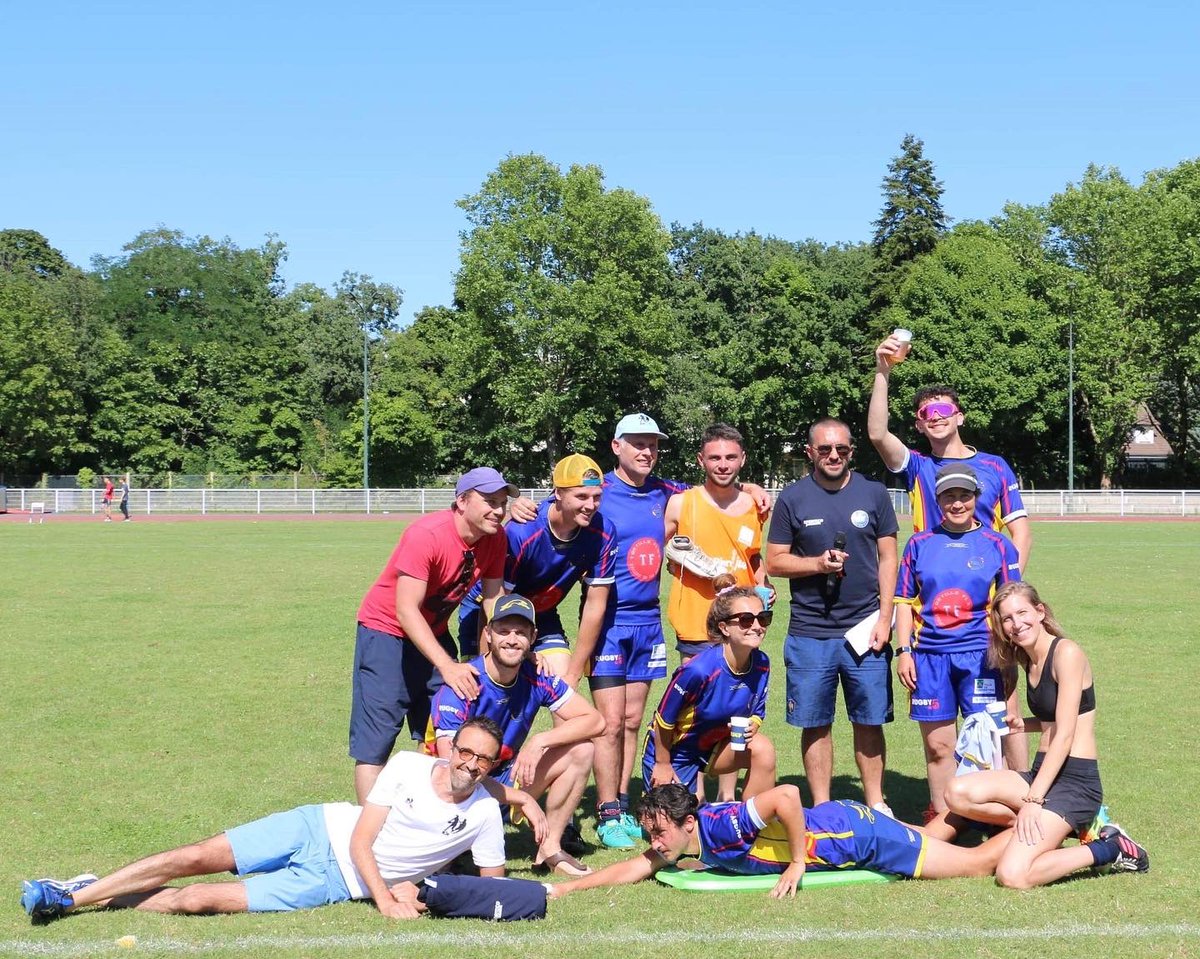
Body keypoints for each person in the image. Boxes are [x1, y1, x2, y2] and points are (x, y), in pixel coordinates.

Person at [21, 719, 546, 921]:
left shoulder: (484, 813)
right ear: (450, 748)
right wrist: (387, 898)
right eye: (467, 754)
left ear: (492, 763)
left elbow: (487, 889)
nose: (472, 766)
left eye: (484, 761)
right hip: (318, 828)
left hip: (333, 883)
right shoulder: (409, 766)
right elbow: (364, 840)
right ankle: (67, 897)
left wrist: (427, 891)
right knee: (196, 858)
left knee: (199, 899)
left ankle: (103, 893)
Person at [587, 413, 770, 849]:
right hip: (617, 620)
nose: (645, 451)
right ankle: (610, 809)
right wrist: (521, 503)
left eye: (651, 444)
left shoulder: (666, 491)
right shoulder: (605, 492)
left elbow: (718, 494)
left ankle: (641, 804)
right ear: (617, 446)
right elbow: (559, 505)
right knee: (615, 723)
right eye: (636, 443)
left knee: (635, 721)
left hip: (649, 620)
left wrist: (751, 489)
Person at [941, 582, 1150, 886]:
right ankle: (1040, 829)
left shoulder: (1067, 653)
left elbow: (1065, 734)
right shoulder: (1029, 659)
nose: (1016, 624)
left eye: (1022, 613)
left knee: (1012, 875)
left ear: (1039, 612)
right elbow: (1055, 719)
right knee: (956, 792)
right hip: (1043, 771)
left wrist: (1033, 801)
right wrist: (1022, 724)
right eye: (1007, 619)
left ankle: (1111, 847)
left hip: (1075, 784)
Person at [351, 467, 516, 803]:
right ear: (461, 501)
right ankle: (372, 838)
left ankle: (427, 818)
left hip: (434, 633)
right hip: (387, 634)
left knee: (441, 728)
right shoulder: (427, 534)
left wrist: (511, 644)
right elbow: (406, 610)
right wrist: (447, 664)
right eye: (489, 501)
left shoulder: (495, 538)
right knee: (377, 741)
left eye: (502, 503)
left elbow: (494, 600)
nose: (498, 511)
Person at [547, 782, 1010, 901]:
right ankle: (978, 815)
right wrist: (567, 888)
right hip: (847, 820)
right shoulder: (689, 837)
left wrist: (796, 863)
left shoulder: (722, 826)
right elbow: (634, 867)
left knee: (973, 865)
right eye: (651, 832)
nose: (655, 841)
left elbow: (787, 796)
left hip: (859, 838)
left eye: (660, 830)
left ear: (689, 822)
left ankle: (1036, 824)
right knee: (929, 839)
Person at [765, 418, 898, 814]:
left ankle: (876, 802)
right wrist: (817, 565)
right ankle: (822, 806)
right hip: (810, 632)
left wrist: (885, 617)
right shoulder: (792, 499)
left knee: (869, 719)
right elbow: (774, 562)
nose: (834, 455)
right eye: (825, 449)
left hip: (866, 627)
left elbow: (889, 557)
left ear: (851, 450)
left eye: (842, 448)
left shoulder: (874, 493)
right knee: (815, 721)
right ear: (810, 452)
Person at [426, 594, 605, 877]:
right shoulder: (464, 682)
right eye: (503, 631)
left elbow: (595, 721)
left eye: (521, 632)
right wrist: (521, 799)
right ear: (488, 633)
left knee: (582, 750)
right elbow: (454, 771)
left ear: (533, 637)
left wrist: (540, 740)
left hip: (499, 781)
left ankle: (550, 847)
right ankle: (452, 847)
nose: (512, 639)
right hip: (451, 790)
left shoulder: (537, 674)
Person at [894, 464, 1021, 820]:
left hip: (982, 657)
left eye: (964, 495)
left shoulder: (999, 544)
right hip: (930, 657)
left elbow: (1012, 600)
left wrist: (1012, 654)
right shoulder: (919, 544)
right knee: (939, 746)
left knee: (987, 741)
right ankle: (943, 816)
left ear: (976, 498)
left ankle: (990, 815)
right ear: (938, 500)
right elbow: (903, 602)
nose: (957, 503)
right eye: (949, 496)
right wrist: (904, 651)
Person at [867, 333, 1032, 570]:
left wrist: (1009, 586)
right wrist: (882, 372)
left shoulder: (995, 466)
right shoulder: (917, 467)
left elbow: (1022, 533)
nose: (935, 416)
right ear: (919, 425)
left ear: (960, 418)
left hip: (984, 589)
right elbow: (877, 434)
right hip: (930, 589)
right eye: (926, 413)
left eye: (943, 408)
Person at [456, 454, 616, 685]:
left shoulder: (603, 532)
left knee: (562, 682)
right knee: (483, 688)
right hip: (489, 610)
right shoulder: (522, 532)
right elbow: (494, 601)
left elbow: (595, 605)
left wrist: (573, 673)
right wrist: (486, 665)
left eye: (597, 497)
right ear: (558, 493)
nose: (590, 506)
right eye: (581, 496)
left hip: (541, 612)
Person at [642, 581, 776, 802]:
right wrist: (663, 764)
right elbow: (663, 721)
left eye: (762, 619)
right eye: (745, 620)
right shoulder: (699, 670)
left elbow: (757, 711)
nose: (756, 626)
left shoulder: (762, 664)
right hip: (674, 752)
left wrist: (754, 724)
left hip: (713, 748)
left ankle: (749, 826)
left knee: (763, 749)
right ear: (724, 628)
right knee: (677, 831)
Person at [664, 423, 773, 661]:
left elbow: (753, 557)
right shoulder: (681, 504)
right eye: (715, 458)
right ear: (700, 460)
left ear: (742, 459)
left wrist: (766, 585)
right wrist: (672, 561)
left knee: (740, 697)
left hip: (743, 624)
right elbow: (653, 549)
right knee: (698, 697)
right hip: (697, 626)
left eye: (731, 457)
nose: (723, 465)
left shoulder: (756, 507)